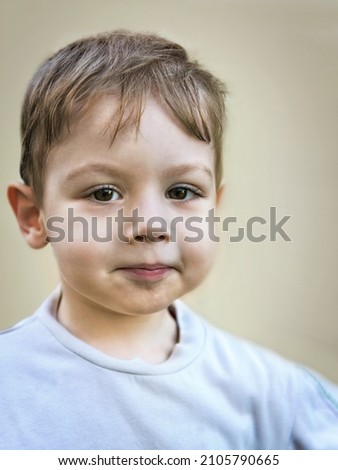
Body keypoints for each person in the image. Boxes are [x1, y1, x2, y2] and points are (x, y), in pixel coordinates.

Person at [1, 30, 337, 450]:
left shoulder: (274, 396)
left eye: (181, 192)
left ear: (214, 207)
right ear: (35, 217)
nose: (151, 224)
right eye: (103, 193)